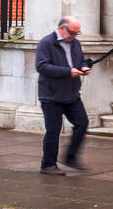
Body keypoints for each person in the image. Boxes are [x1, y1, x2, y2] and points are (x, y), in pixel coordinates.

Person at [35, 16, 92, 175]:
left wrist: (84, 67)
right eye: (72, 33)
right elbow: (42, 66)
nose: (74, 36)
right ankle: (48, 165)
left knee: (82, 123)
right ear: (62, 28)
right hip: (51, 95)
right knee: (53, 130)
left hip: (72, 94)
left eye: (76, 33)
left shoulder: (75, 43)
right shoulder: (46, 42)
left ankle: (71, 158)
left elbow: (80, 61)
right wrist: (67, 72)